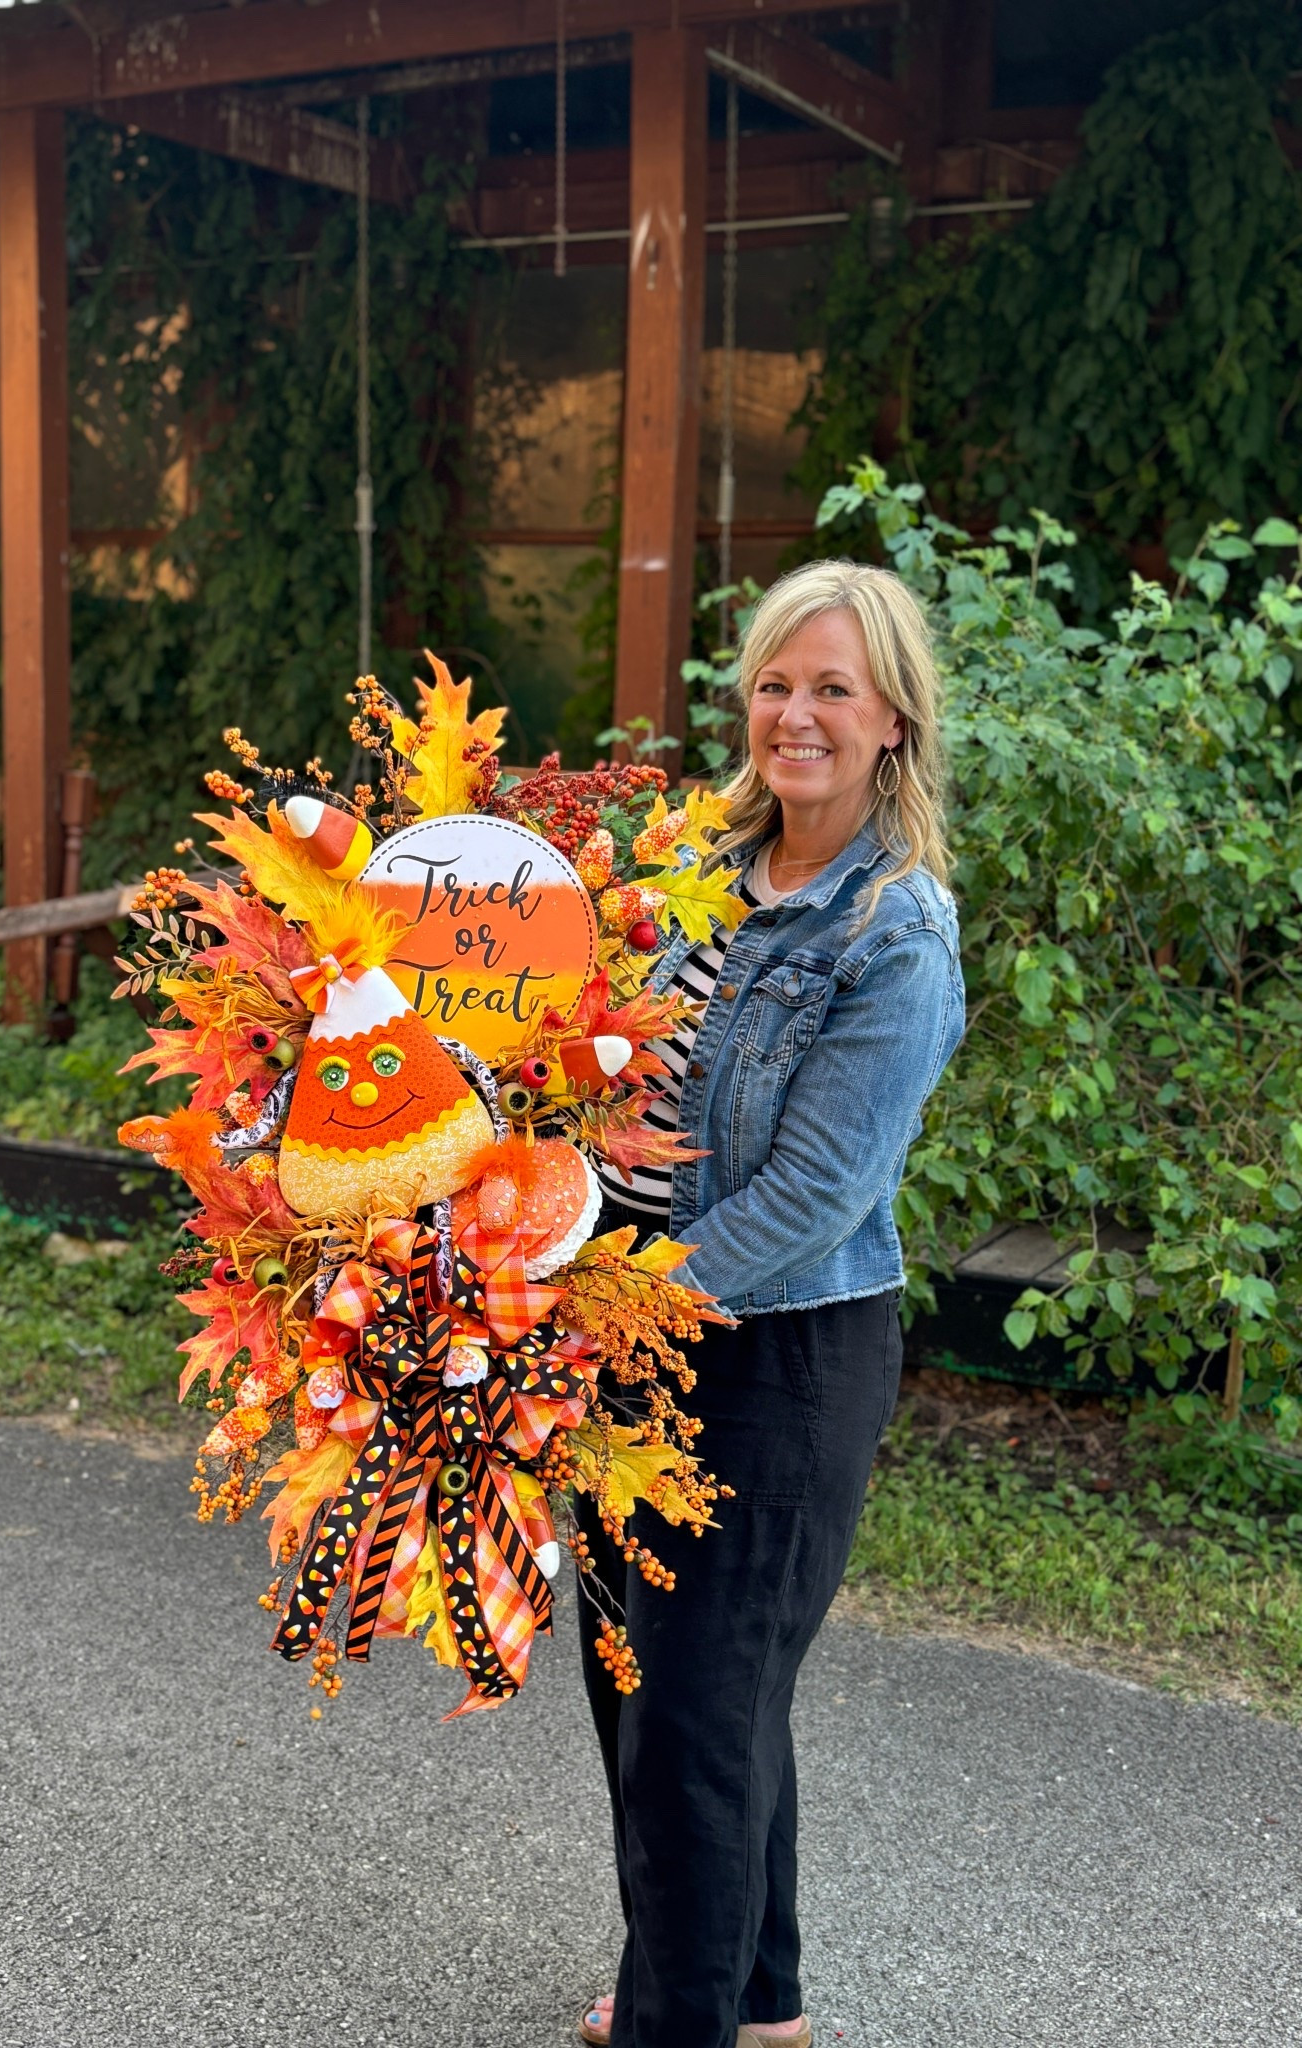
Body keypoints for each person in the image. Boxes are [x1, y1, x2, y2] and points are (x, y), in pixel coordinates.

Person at [575, 560, 966, 2048]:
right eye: (776, 684)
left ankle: (680, 2018)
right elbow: (589, 1059)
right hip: (626, 1333)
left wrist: (621, 1302)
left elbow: (812, 1195)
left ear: (893, 721)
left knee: (694, 1720)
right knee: (657, 1693)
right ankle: (758, 1996)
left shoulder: (895, 933)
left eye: (834, 690)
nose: (796, 715)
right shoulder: (694, 871)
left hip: (778, 1357)